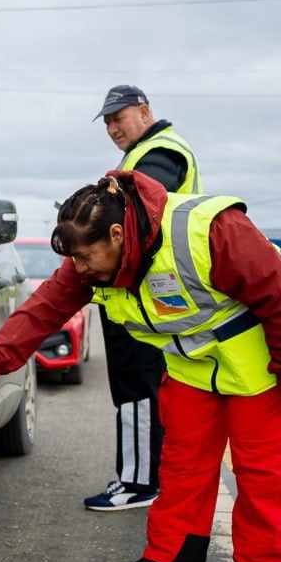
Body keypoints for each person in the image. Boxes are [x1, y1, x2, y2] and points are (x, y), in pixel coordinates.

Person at [0, 171, 281, 562]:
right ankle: (175, 555)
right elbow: (43, 309)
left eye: (86, 257)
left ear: (119, 234)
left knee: (262, 472)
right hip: (193, 368)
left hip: (264, 367)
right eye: (75, 260)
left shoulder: (212, 230)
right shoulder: (93, 261)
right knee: (181, 466)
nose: (80, 270)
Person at [85, 85, 202, 512]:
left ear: (145, 111)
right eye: (108, 122)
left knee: (135, 385)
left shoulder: (161, 151)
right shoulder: (141, 152)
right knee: (143, 385)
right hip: (143, 288)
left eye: (120, 118)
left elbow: (135, 202)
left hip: (142, 290)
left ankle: (138, 483)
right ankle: (151, 476)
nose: (113, 128)